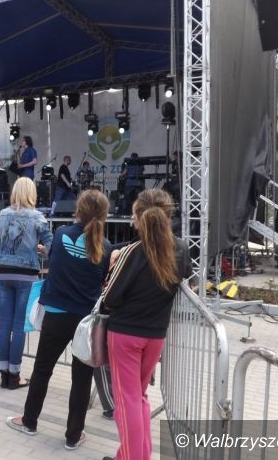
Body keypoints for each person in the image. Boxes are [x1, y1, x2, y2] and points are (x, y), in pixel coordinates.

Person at [6, 189, 111, 451]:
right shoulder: (106, 247)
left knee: (42, 370)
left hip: (56, 315)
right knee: (81, 379)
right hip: (85, 322)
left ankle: (29, 421)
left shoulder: (62, 234)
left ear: (78, 210)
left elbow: (55, 263)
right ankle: (73, 436)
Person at [104, 188, 191, 460]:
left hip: (125, 334)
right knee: (138, 397)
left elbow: (110, 298)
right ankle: (137, 454)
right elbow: (185, 281)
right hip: (156, 335)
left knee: (126, 401)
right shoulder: (181, 248)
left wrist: (112, 266)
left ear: (140, 217)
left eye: (133, 214)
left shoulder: (131, 251)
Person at [0, 177, 52, 389]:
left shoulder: (1, 215)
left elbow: (0, 243)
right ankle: (14, 375)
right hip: (27, 274)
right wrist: (40, 249)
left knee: (4, 323)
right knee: (19, 325)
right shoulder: (38, 217)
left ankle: (3, 374)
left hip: (4, 273)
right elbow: (51, 245)